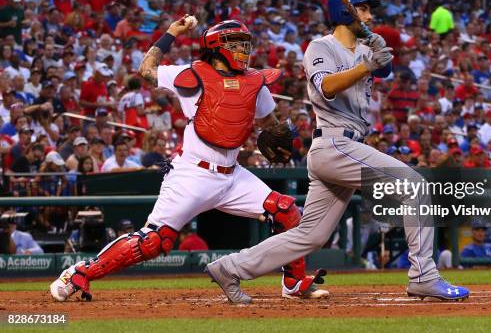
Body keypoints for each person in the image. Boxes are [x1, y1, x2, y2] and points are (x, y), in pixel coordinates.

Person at [205, 0, 469, 303]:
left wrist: (377, 52)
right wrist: (369, 64)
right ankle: (424, 276)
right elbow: (327, 85)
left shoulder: (362, 50)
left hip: (347, 147)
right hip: (334, 142)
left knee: (311, 235)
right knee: (413, 185)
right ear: (345, 12)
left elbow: (384, 67)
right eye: (364, 9)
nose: (371, 16)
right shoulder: (321, 46)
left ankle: (229, 267)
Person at [50, 16, 328, 302]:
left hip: (232, 174)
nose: (243, 50)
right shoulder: (193, 74)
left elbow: (268, 122)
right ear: (216, 46)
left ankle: (293, 282)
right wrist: (171, 32)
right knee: (154, 241)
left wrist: (277, 135)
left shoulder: (254, 81)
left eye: (245, 44)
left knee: (285, 210)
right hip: (192, 174)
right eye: (236, 43)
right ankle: (80, 273)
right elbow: (147, 69)